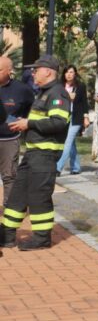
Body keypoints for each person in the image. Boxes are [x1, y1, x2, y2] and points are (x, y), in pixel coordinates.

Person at [1, 55, 71, 251]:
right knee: (17, 195)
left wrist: (28, 123)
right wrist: (24, 125)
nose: (33, 73)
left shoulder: (57, 94)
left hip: (45, 155)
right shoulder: (43, 93)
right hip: (33, 153)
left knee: (38, 197)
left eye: (36, 69)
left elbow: (58, 122)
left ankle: (41, 238)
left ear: (47, 71)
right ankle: (6, 235)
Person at [0, 55, 35, 207]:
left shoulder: (22, 90)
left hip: (9, 140)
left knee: (9, 176)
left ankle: (9, 209)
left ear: (9, 71)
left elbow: (33, 111)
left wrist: (26, 123)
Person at [55, 65, 90, 176]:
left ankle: (57, 168)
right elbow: (55, 101)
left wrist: (86, 117)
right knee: (71, 144)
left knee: (67, 142)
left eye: (71, 72)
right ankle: (76, 167)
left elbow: (84, 102)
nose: (69, 74)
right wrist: (66, 96)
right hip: (63, 117)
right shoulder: (59, 86)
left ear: (75, 74)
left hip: (76, 118)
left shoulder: (80, 86)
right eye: (67, 72)